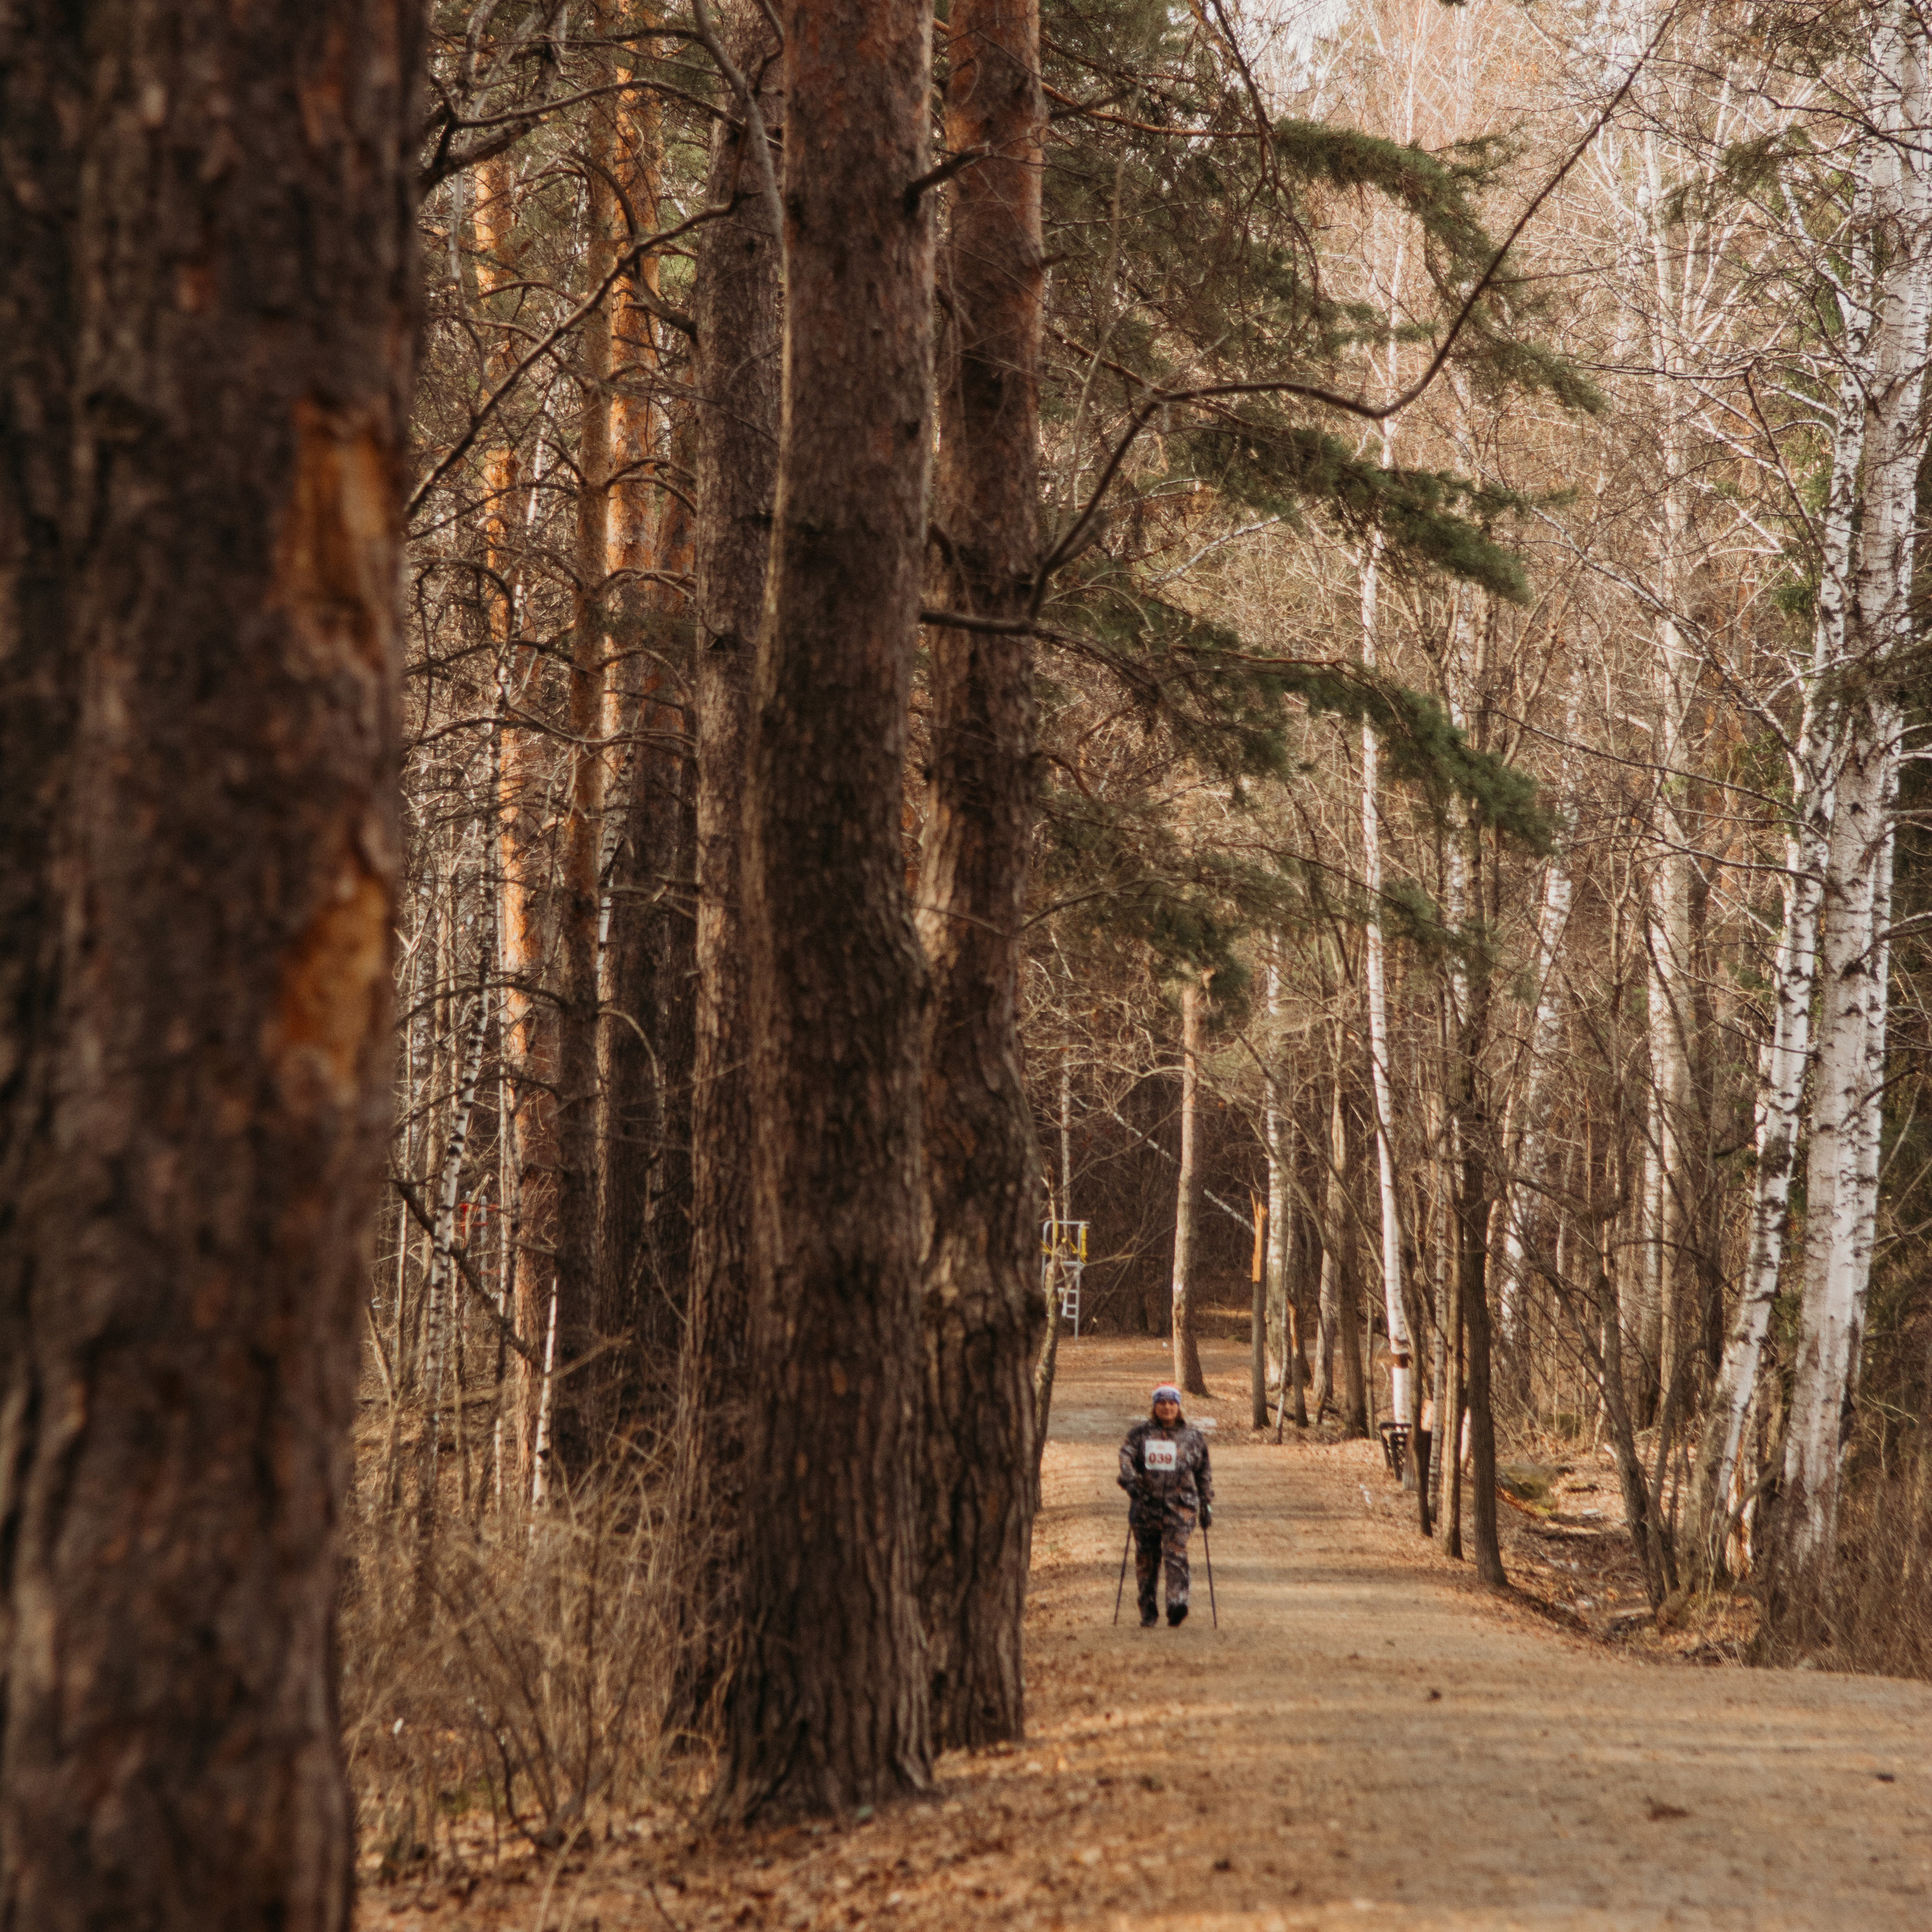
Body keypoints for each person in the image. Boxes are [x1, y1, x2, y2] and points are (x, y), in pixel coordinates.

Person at [1118, 1383, 1214, 1627]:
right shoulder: (1140, 1434)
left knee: (1176, 1554)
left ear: (1179, 1406)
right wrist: (1130, 1480)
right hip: (1146, 1506)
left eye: (1172, 1403)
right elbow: (1126, 1456)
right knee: (1147, 1560)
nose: (1167, 1407)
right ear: (1154, 1406)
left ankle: (1177, 1603)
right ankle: (1148, 1610)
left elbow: (1203, 1471)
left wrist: (1206, 1503)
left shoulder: (1193, 1437)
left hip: (1180, 1508)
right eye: (1162, 1403)